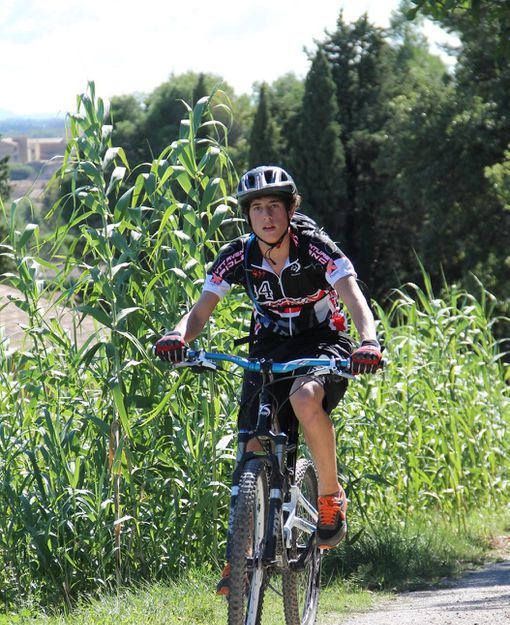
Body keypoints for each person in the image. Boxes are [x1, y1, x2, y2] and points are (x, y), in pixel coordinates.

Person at [155, 165, 382, 594]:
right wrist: (177, 335)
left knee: (303, 398)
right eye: (257, 208)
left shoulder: (314, 246)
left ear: (290, 210)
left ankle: (330, 497)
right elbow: (201, 309)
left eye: (274, 207)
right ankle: (238, 559)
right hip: (269, 348)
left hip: (323, 341)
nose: (266, 216)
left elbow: (353, 295)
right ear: (248, 216)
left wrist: (367, 341)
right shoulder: (238, 256)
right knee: (251, 444)